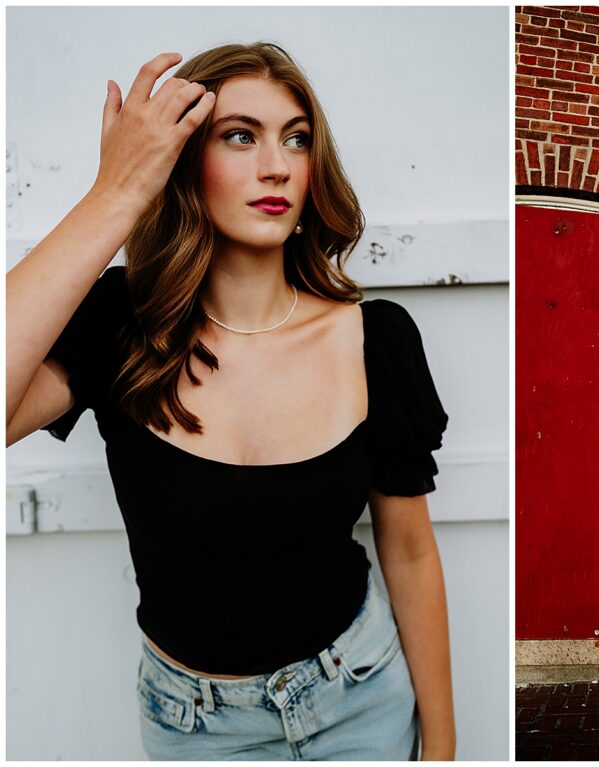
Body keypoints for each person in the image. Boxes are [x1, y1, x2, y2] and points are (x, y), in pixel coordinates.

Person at [6, 44, 455, 760]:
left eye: (296, 138)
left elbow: (409, 551)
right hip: (195, 729)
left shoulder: (377, 340)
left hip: (360, 698)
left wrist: (443, 749)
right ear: (185, 161)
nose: (276, 165)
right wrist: (115, 196)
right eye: (240, 135)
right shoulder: (120, 323)